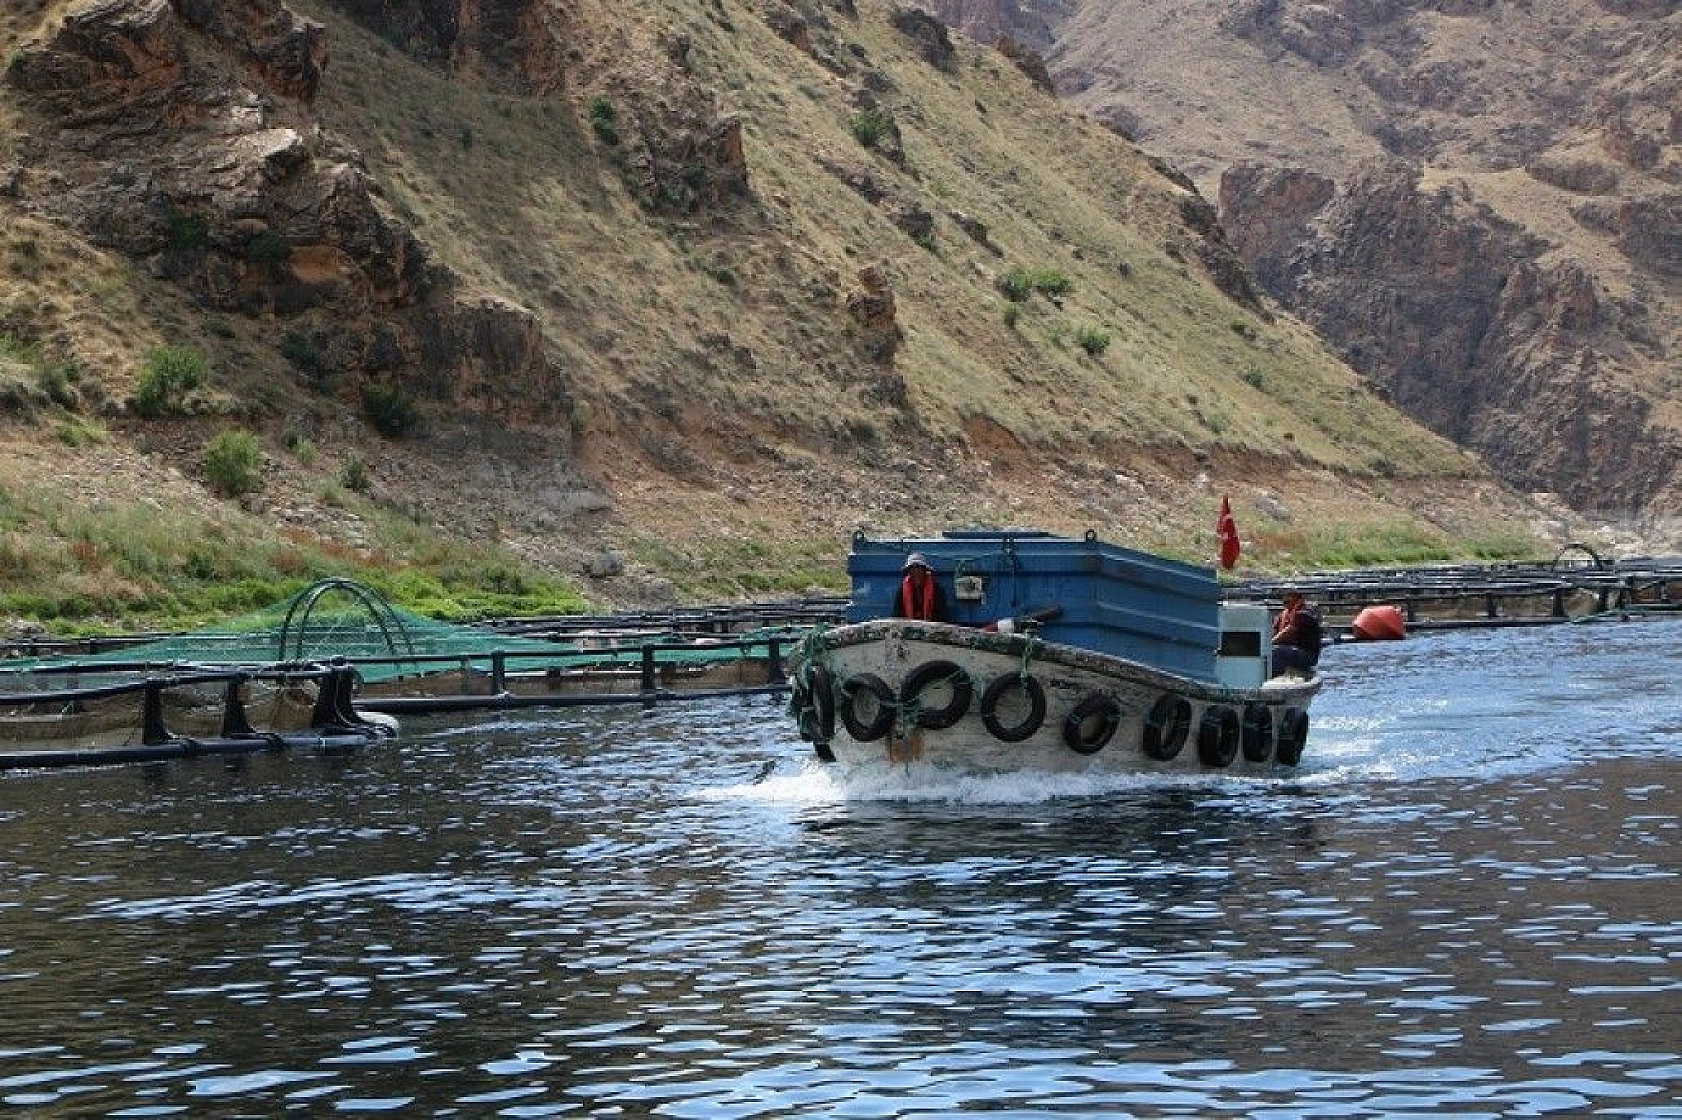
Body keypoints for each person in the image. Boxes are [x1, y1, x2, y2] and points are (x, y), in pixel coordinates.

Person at [1271, 589, 1323, 677]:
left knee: (1278, 652)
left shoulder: (1306, 612)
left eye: (1289, 596)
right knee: (1272, 651)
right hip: (1291, 650)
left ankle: (1271, 677)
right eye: (1284, 596)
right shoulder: (1282, 615)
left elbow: (1290, 630)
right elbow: (1274, 632)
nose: (1285, 599)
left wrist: (1270, 642)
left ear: (1297, 598)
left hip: (1307, 655)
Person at [893, 552, 949, 622]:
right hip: (909, 626)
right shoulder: (901, 590)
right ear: (908, 572)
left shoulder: (937, 589)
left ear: (925, 570)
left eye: (919, 568)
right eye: (912, 569)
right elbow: (897, 616)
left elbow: (942, 616)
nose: (916, 572)